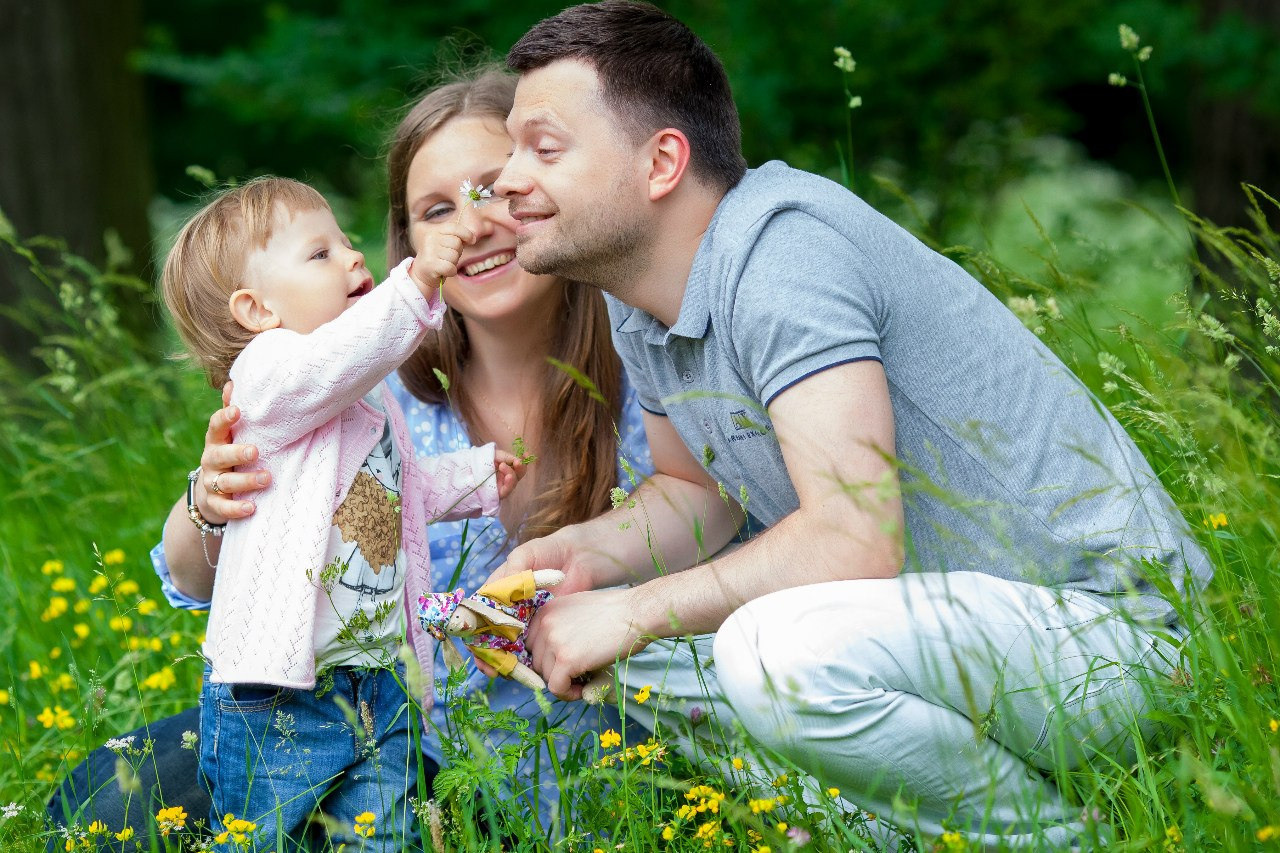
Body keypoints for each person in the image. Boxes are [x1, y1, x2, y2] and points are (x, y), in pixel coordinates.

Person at [483, 1, 1214, 845]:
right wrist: (584, 558)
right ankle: (900, 832)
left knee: (765, 648)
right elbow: (695, 490)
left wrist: (638, 605)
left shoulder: (783, 254)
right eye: (509, 149)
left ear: (662, 163)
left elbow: (855, 540)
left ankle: (1058, 838)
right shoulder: (636, 301)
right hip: (952, 640)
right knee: (623, 653)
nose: (504, 179)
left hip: (1116, 637)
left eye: (542, 147)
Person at [47, 68, 655, 848]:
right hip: (362, 708)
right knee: (114, 796)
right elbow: (194, 576)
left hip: (540, 746)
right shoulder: (359, 392)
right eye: (438, 210)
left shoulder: (651, 380)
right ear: (411, 248)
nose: (470, 226)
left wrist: (474, 521)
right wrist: (207, 499)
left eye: (491, 190)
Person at [162, 174, 529, 850]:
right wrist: (413, 286)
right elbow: (342, 356)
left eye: (346, 242)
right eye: (320, 253)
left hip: (378, 679)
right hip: (278, 696)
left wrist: (476, 477)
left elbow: (389, 497)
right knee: (263, 835)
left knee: (381, 835)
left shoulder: (364, 404)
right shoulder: (267, 376)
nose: (353, 256)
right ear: (255, 310)